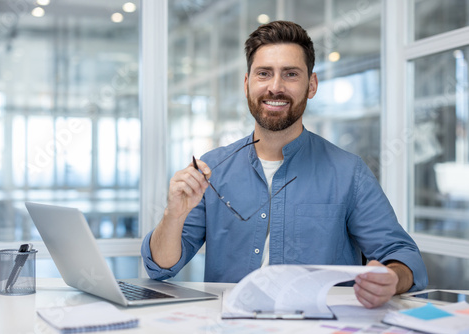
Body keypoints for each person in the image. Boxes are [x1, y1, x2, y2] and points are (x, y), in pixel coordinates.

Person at [142, 20, 428, 309]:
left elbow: (403, 256)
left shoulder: (348, 172)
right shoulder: (211, 169)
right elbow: (162, 267)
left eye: (290, 74)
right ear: (247, 83)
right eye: (264, 74)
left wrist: (391, 277)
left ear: (311, 85)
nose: (275, 87)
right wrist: (173, 215)